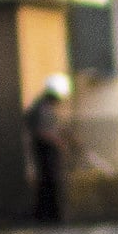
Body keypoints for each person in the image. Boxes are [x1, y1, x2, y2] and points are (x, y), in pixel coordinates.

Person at [23, 74, 71, 226]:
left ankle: (49, 216)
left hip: (49, 149)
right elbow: (41, 131)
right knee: (49, 182)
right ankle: (49, 217)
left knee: (50, 182)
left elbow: (56, 126)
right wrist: (59, 142)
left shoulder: (47, 106)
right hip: (45, 150)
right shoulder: (42, 108)